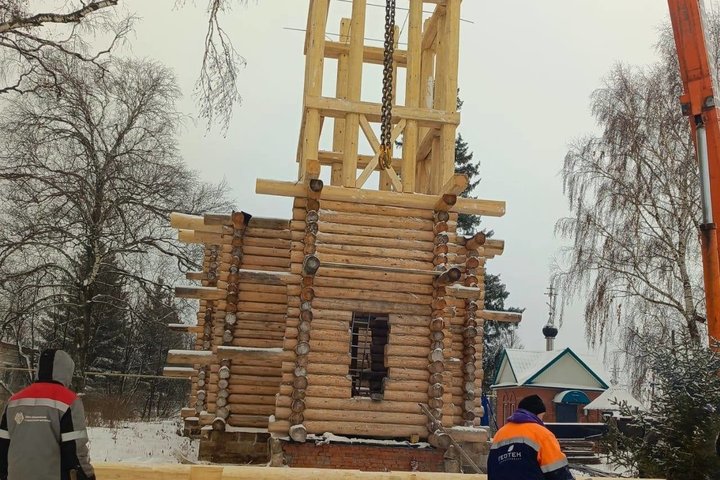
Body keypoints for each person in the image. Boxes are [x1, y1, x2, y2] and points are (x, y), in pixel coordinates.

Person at [0, 349, 95, 480]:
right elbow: (76, 451)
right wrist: (88, 476)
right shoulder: (69, 401)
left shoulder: (14, 401)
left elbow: (3, 447)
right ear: (67, 371)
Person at [488, 394, 574, 480]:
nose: (541, 420)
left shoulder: (500, 434)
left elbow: (492, 468)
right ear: (536, 413)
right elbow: (557, 471)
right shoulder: (542, 434)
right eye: (542, 416)